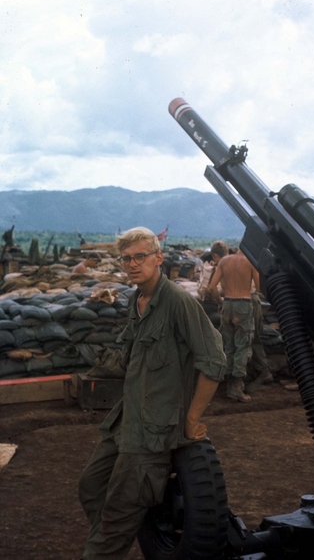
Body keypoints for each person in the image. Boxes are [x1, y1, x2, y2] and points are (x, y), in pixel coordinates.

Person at [78, 227, 226, 560]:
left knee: (116, 515)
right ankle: (111, 539)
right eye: (127, 258)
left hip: (153, 433)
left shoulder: (178, 302)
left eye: (140, 256)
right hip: (126, 421)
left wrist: (191, 419)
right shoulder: (137, 300)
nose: (132, 264)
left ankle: (106, 546)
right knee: (91, 487)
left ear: (158, 258)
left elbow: (215, 361)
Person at [208, 247, 258, 403]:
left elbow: (211, 288)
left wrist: (221, 302)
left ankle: (227, 384)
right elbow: (261, 288)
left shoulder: (224, 260)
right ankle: (236, 387)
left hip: (227, 304)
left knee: (228, 346)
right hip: (243, 304)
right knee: (242, 346)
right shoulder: (251, 262)